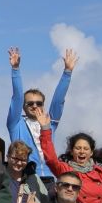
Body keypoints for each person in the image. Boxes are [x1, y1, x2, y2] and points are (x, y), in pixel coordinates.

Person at [6, 48, 77, 194]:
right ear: (23, 107)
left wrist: (67, 72)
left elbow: (59, 100)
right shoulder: (16, 124)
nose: (34, 106)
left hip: (51, 179)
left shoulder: (49, 122)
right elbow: (16, 97)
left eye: (39, 103)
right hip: (27, 178)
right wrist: (15, 69)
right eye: (30, 103)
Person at [33, 107, 102, 203]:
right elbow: (51, 158)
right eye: (78, 148)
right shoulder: (65, 170)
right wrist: (45, 128)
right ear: (71, 151)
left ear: (91, 153)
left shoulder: (101, 172)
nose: (81, 151)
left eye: (86, 149)